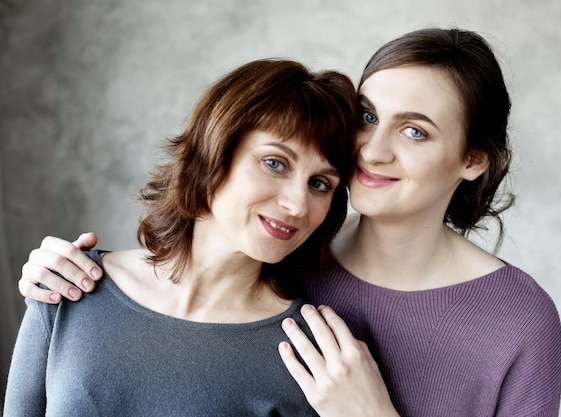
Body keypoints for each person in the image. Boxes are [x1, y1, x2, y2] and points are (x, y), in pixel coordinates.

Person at [14, 28, 561, 416]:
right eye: (367, 117)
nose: (372, 150)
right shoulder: (282, 260)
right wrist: (56, 275)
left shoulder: (519, 320)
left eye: (414, 131)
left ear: (473, 160)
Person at [4, 58, 370, 416]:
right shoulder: (70, 285)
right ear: (213, 152)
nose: (297, 205)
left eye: (320, 184)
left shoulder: (312, 353)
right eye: (275, 162)